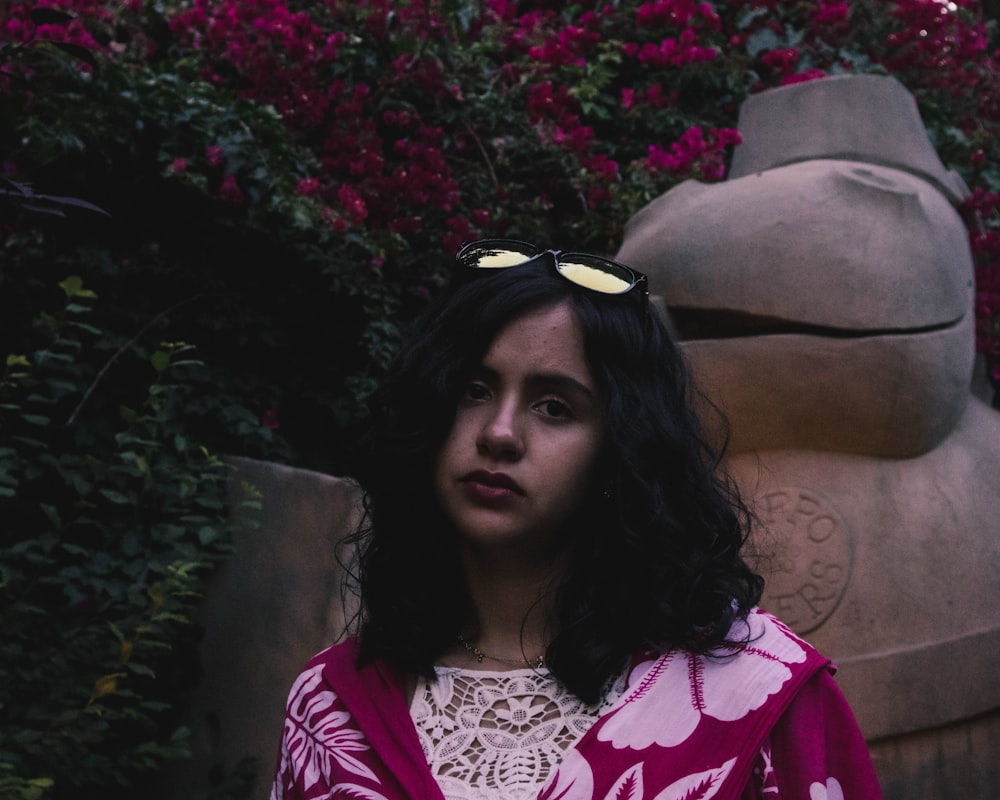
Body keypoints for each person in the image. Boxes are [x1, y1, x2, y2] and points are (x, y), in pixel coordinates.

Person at [268, 239, 883, 800]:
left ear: (620, 451)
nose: (500, 434)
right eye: (473, 390)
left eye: (554, 407)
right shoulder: (330, 705)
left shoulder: (756, 692)